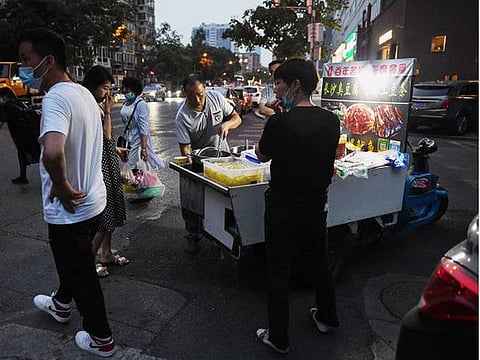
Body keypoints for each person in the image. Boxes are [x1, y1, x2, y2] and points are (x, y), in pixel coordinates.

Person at [18, 28, 116, 357]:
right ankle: (61, 304)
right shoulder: (82, 94)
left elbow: (52, 151)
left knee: (81, 271)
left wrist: (60, 185)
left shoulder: (56, 98)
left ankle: (102, 339)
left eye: (26, 60)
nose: (23, 68)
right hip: (93, 200)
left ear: (48, 61)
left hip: (70, 208)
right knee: (75, 262)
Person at [254, 58, 340, 354]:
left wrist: (263, 138)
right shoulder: (331, 120)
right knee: (318, 260)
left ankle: (278, 338)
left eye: (278, 83)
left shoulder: (280, 122)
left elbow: (262, 155)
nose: (276, 90)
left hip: (283, 206)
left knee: (278, 270)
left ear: (295, 85)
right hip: (316, 204)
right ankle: (327, 317)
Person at [175, 72, 242, 254]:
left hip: (222, 158)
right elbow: (185, 150)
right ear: (184, 93)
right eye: (191, 95)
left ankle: (220, 234)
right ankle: (192, 235)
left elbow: (237, 118)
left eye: (200, 94)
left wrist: (227, 125)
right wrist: (192, 163)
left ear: (205, 88)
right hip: (199, 162)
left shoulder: (216, 98)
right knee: (192, 199)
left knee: (222, 200)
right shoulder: (182, 117)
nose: (197, 99)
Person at [82, 65, 128, 278]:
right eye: (105, 88)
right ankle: (88, 263)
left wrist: (115, 150)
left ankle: (106, 253)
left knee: (112, 206)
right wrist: (109, 111)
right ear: (93, 86)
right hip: (99, 163)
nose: (108, 93)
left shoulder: (95, 103)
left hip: (107, 158)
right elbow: (106, 136)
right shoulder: (91, 105)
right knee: (105, 211)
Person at [120, 76, 163, 170]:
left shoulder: (141, 105)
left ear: (134, 89)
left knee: (135, 170)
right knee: (130, 171)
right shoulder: (125, 103)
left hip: (138, 142)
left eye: (127, 88)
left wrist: (143, 149)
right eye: (124, 88)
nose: (124, 90)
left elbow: (144, 129)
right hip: (128, 141)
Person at [0, 87, 40, 184]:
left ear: (5, 96)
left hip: (20, 134)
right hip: (28, 132)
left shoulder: (7, 106)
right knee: (30, 152)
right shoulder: (19, 103)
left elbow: (2, 120)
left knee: (23, 153)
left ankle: (24, 177)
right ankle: (23, 176)